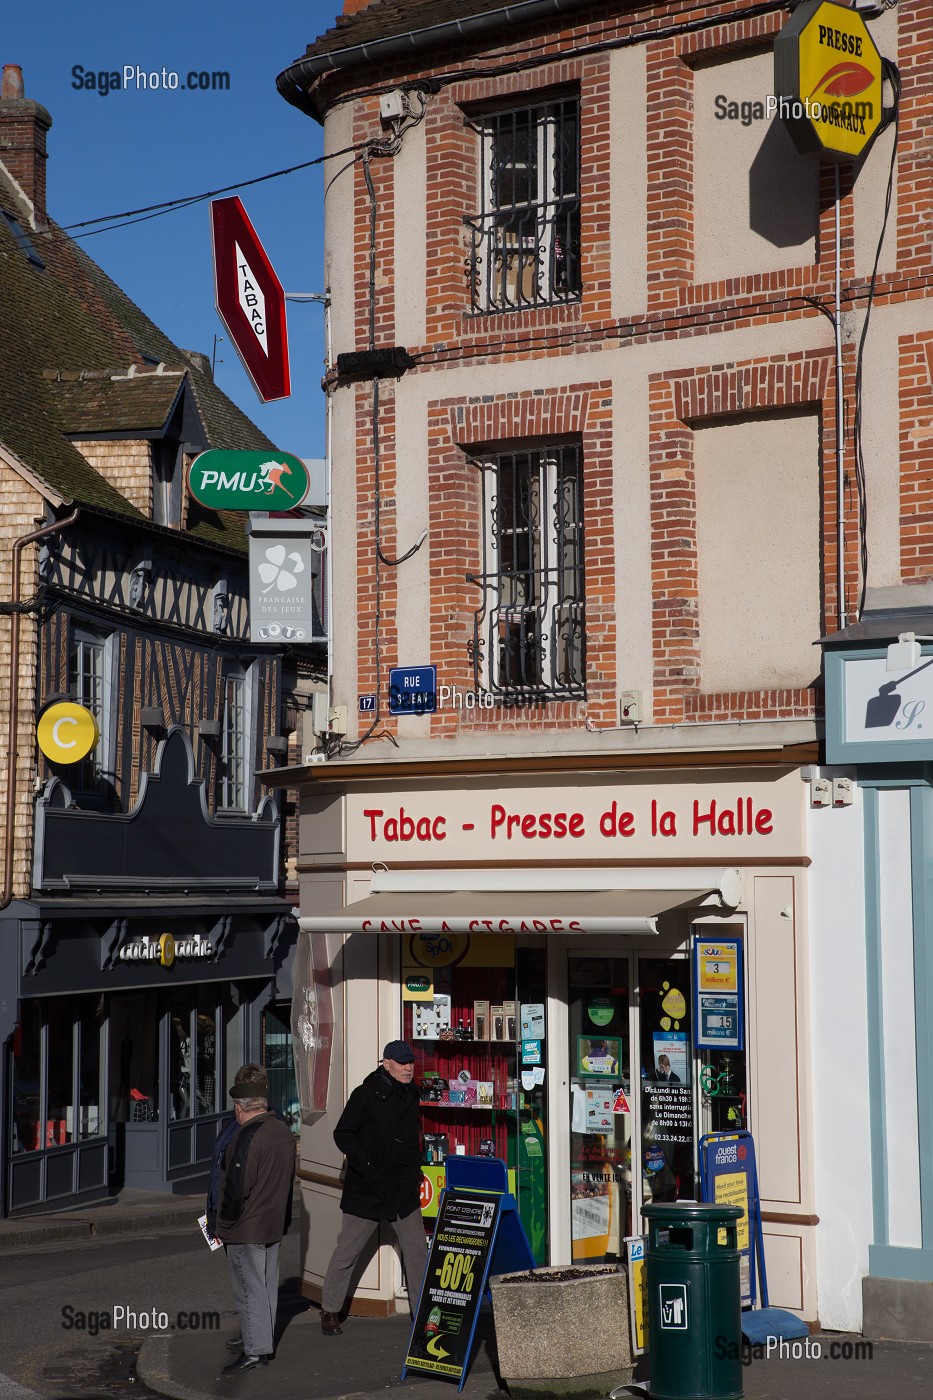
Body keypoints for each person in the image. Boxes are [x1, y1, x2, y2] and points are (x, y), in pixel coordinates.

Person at [320, 1040, 428, 1336]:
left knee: (417, 1253)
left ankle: (422, 1315)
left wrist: (415, 1165)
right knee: (348, 1251)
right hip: (368, 1186)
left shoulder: (413, 1092)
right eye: (402, 1063)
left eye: (410, 1063)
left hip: (403, 1187)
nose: (408, 1068)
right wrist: (366, 1166)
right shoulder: (365, 1093)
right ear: (386, 1063)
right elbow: (343, 1133)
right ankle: (329, 1309)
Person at [214, 1068, 296, 1374]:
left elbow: (237, 1187)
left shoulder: (247, 1136)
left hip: (247, 1226)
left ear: (239, 1107)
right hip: (272, 1221)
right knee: (265, 1287)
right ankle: (261, 1341)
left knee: (249, 1290)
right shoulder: (282, 1130)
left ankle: (255, 1349)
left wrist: (224, 1223)